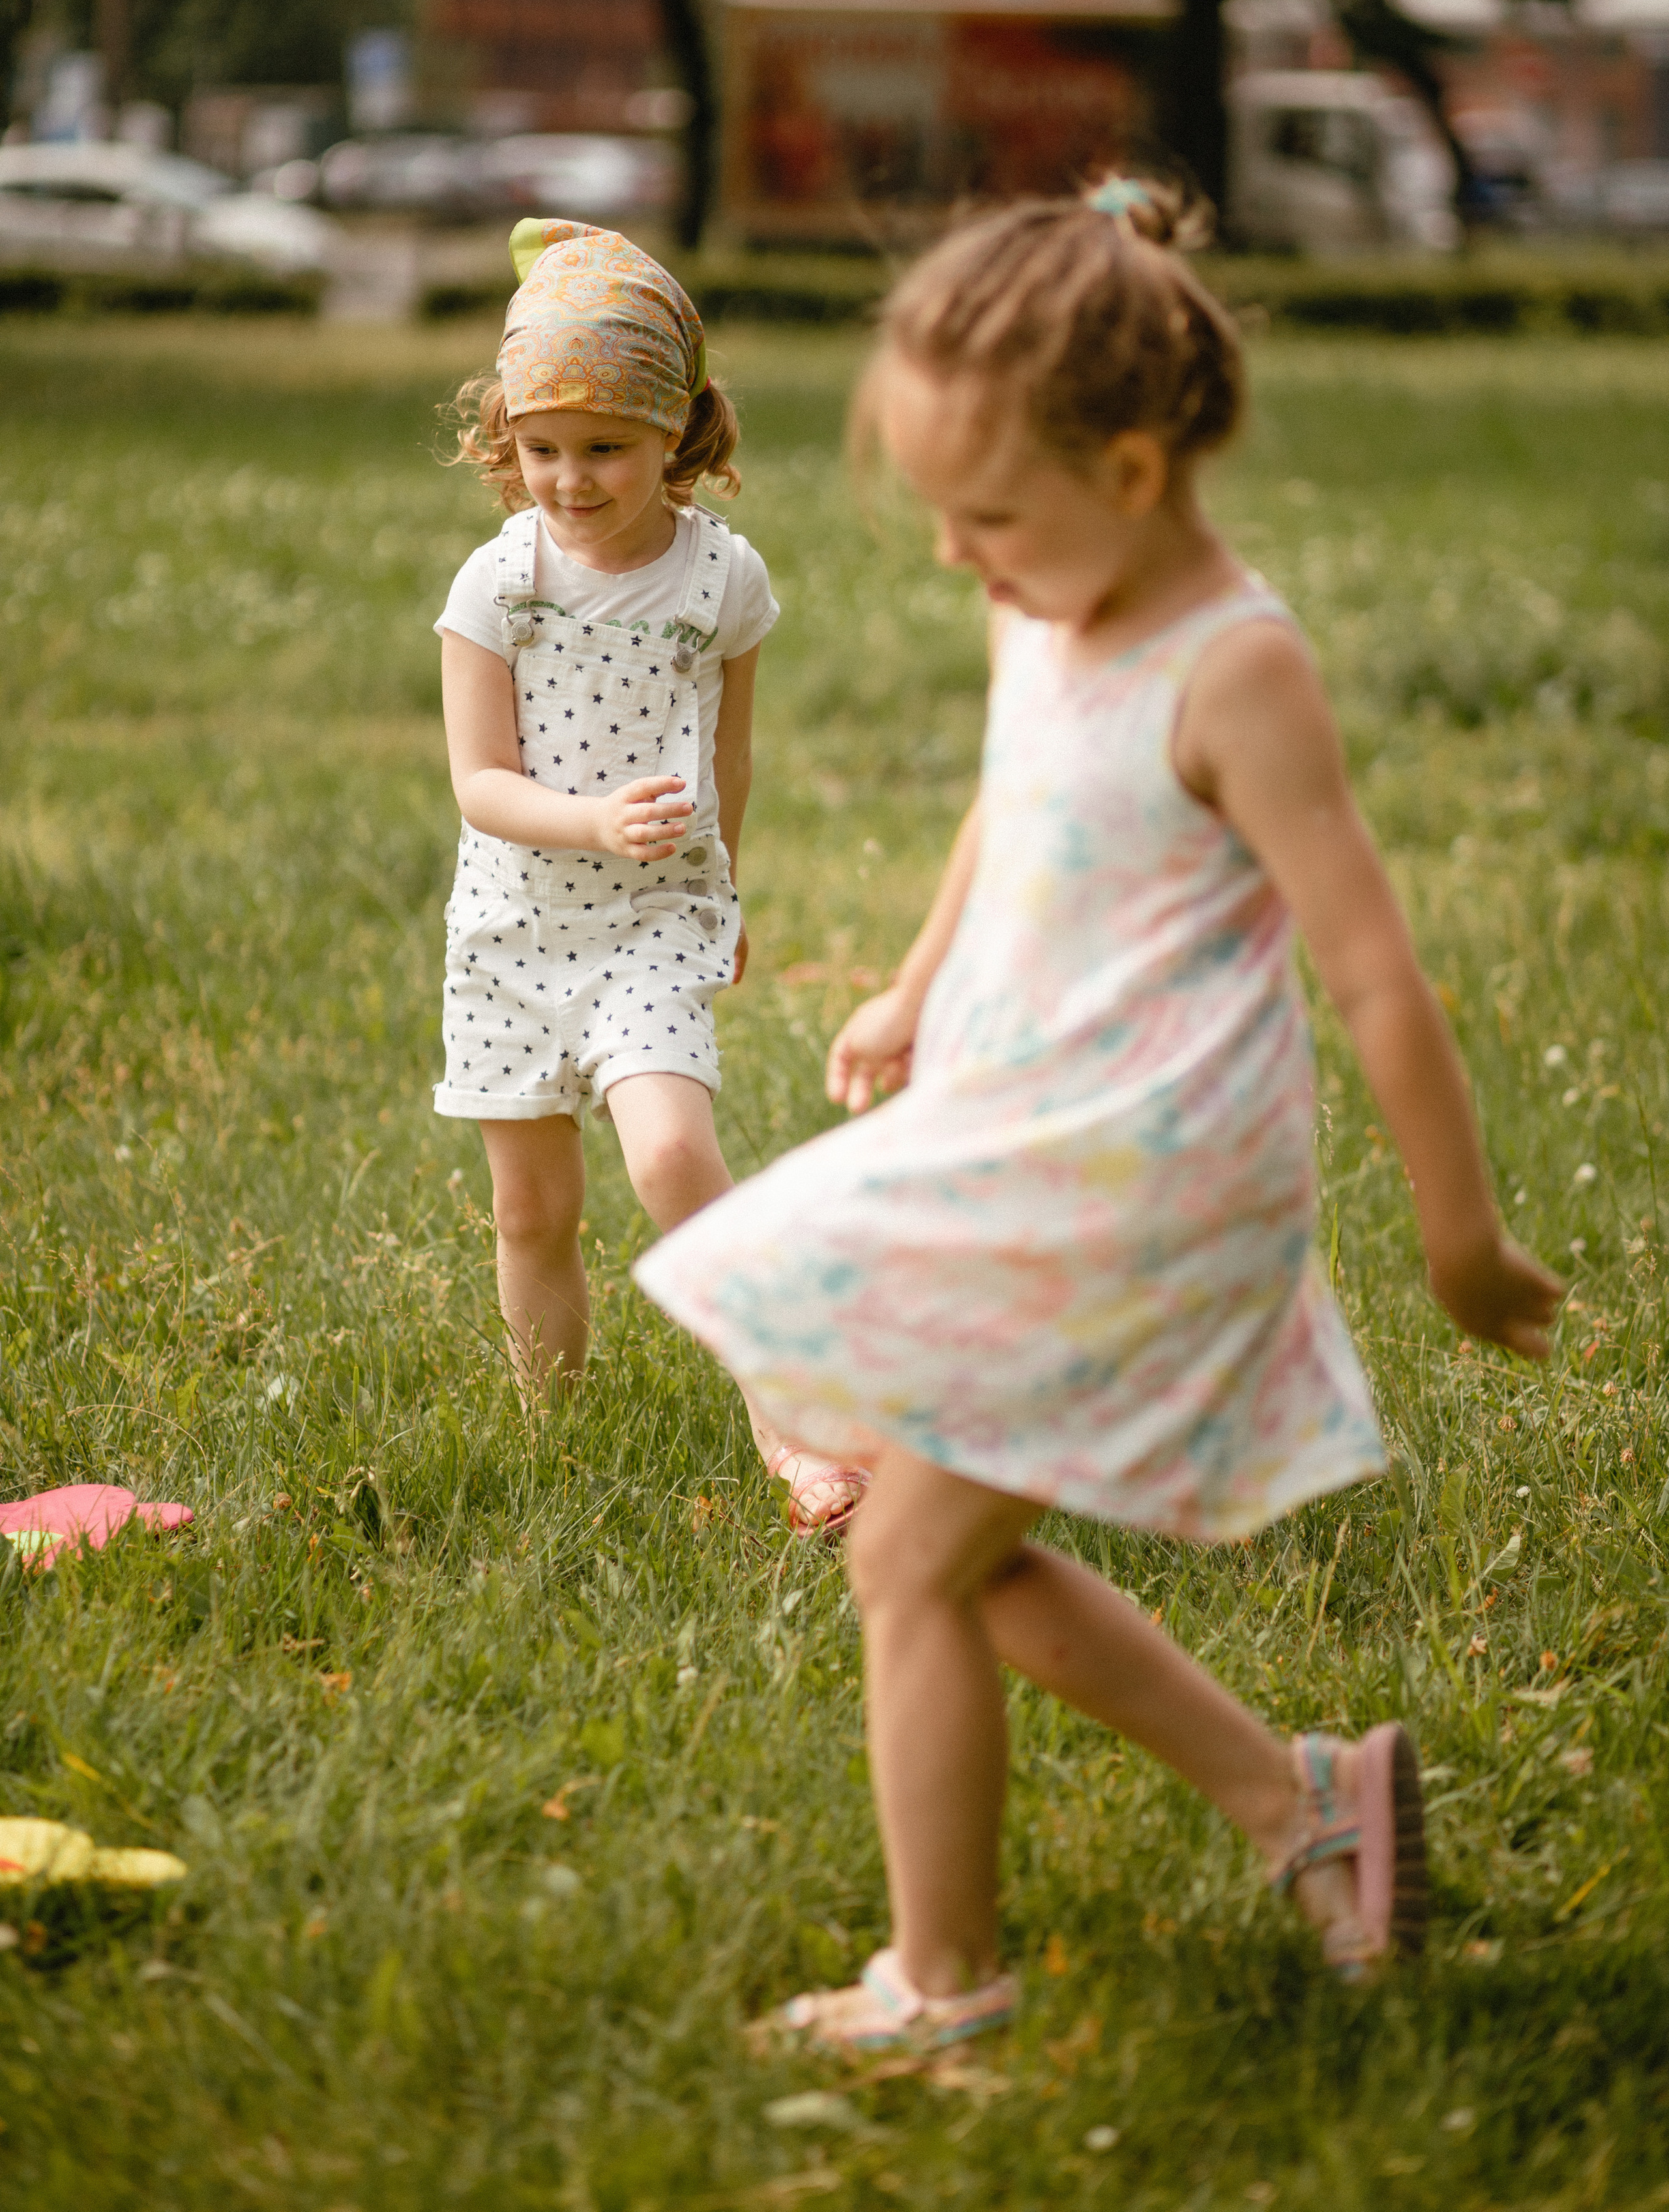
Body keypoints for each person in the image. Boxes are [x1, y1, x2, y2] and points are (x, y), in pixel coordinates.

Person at [636, 181, 1563, 2040]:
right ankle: (1304, 1806)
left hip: (1143, 1178)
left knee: (908, 1551)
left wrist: (1462, 1242)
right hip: (1024, 1131)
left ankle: (942, 1984)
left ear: (1136, 473)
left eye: (987, 516)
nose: (958, 558)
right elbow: (1013, 799)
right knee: (934, 1547)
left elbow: (1374, 968)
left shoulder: (1237, 667)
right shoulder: (1044, 611)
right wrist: (913, 977)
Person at [435, 217, 868, 1531]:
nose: (567, 480)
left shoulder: (719, 580)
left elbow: (729, 760)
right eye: (540, 449)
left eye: (603, 449)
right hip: (512, 935)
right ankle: (554, 1449)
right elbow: (479, 782)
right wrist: (587, 822)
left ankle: (793, 1429)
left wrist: (720, 895)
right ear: (505, 439)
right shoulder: (495, 586)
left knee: (674, 1155)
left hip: (649, 926)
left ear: (678, 431)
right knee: (534, 1215)